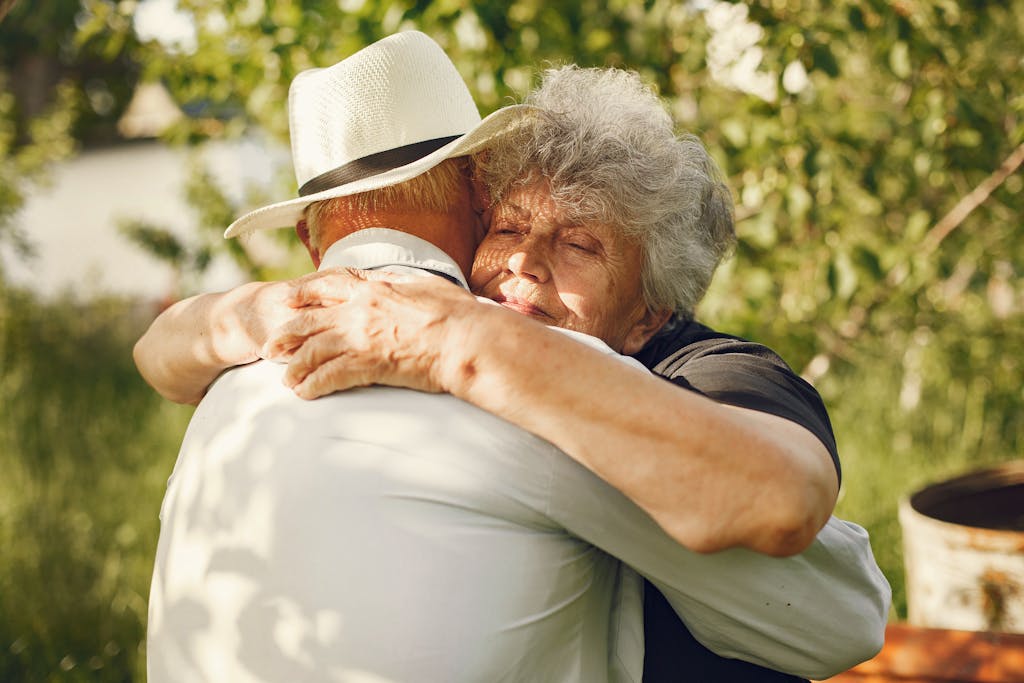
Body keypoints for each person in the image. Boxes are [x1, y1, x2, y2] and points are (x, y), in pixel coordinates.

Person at [142, 33, 889, 682]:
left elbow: (824, 581)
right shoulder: (489, 380)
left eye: (580, 245)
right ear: (474, 203)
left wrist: (450, 342)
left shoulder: (232, 393)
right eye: (510, 229)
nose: (526, 266)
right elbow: (843, 614)